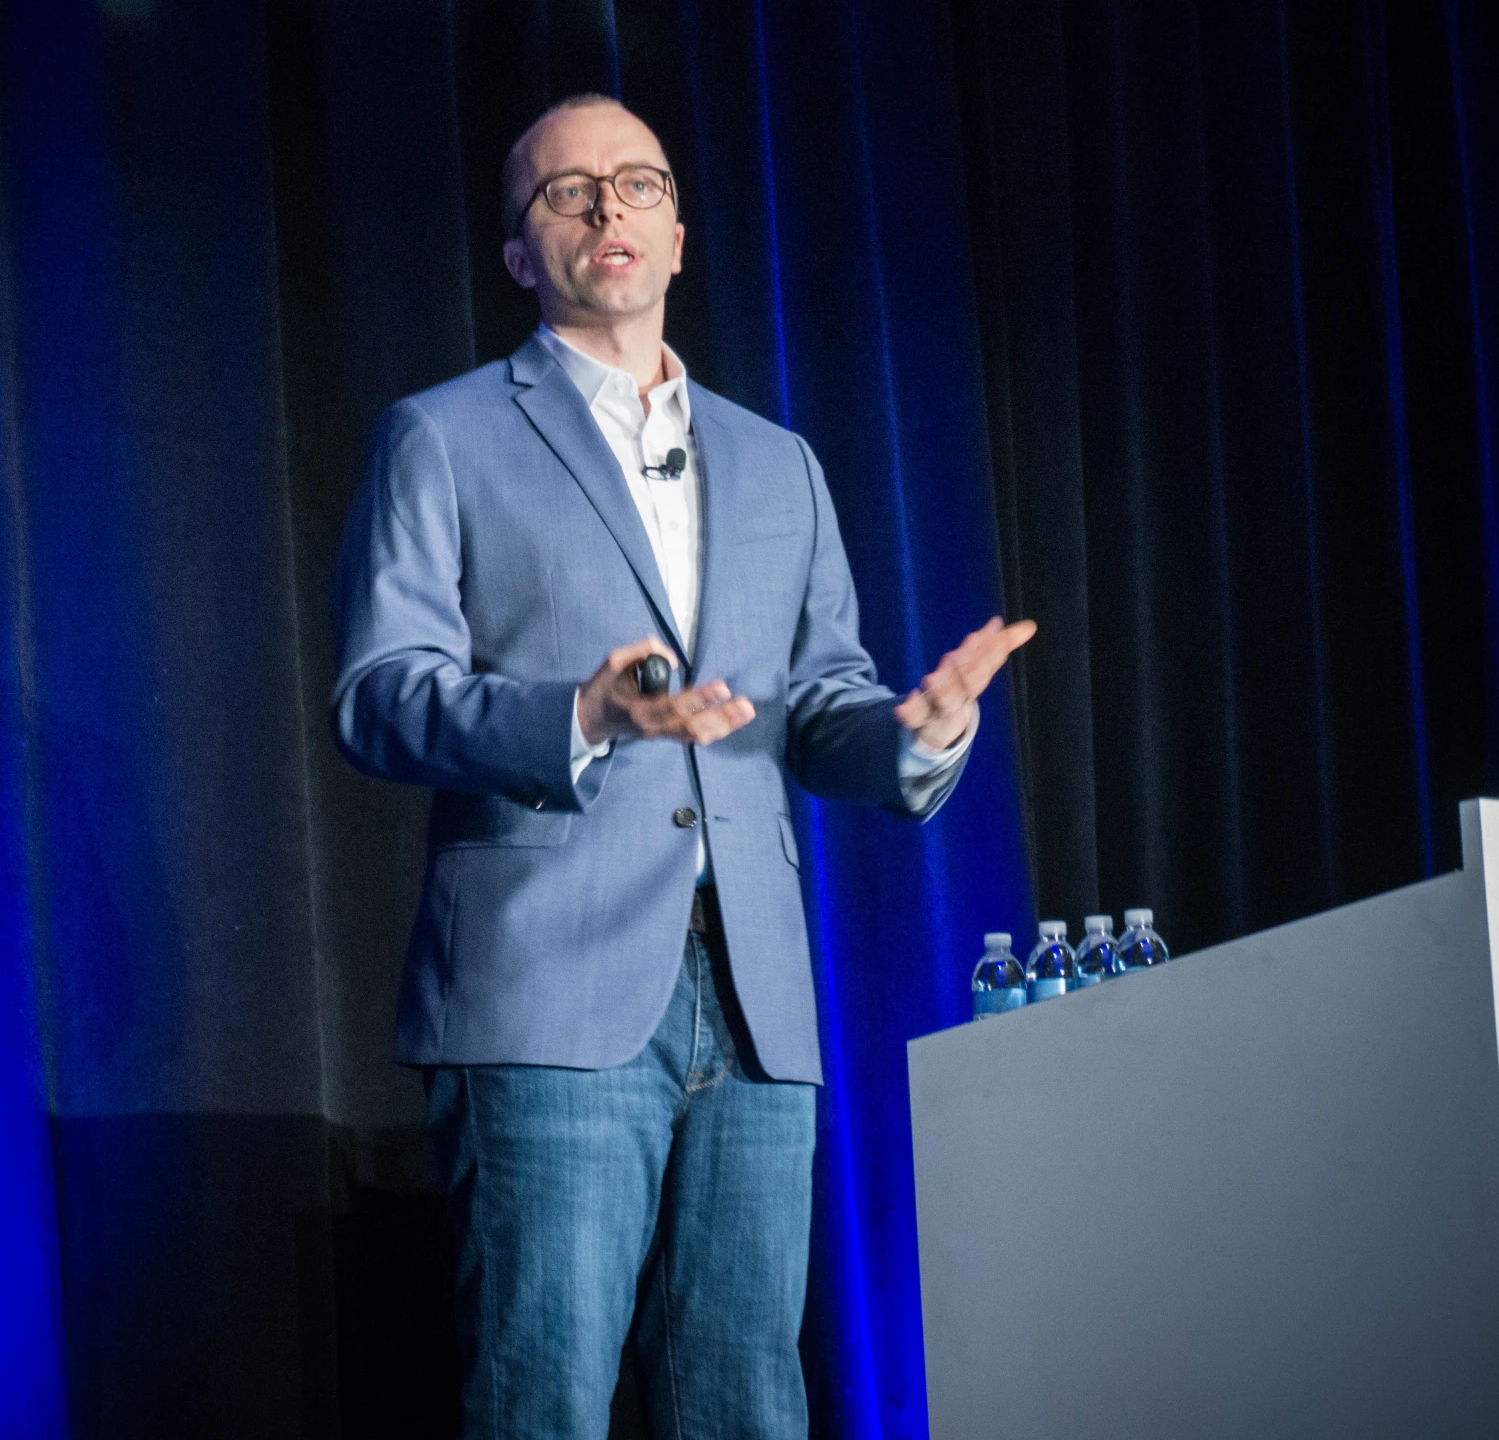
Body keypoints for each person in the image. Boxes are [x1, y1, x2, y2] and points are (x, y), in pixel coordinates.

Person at [331, 94, 1034, 1439]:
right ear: (518, 254)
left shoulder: (780, 465)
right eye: (566, 193)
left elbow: (818, 707)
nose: (608, 211)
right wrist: (580, 717)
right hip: (548, 992)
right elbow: (377, 699)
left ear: (678, 234)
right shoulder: (444, 436)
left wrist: (915, 732)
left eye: (637, 185)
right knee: (543, 1397)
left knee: (746, 1404)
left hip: (755, 1000)